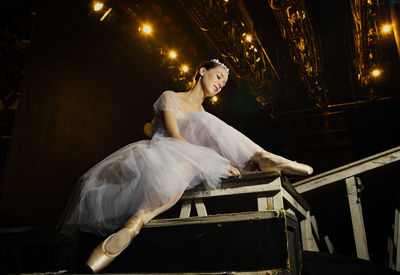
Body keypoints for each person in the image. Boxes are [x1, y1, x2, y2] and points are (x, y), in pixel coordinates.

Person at [61, 59, 313, 273]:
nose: (220, 84)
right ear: (202, 71)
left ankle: (91, 266)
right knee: (204, 121)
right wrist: (210, 163)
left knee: (139, 220)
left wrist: (213, 163)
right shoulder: (170, 97)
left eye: (224, 83)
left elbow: (205, 146)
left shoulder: (202, 113)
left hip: (178, 172)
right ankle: (260, 156)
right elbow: (173, 137)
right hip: (158, 159)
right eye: (218, 76)